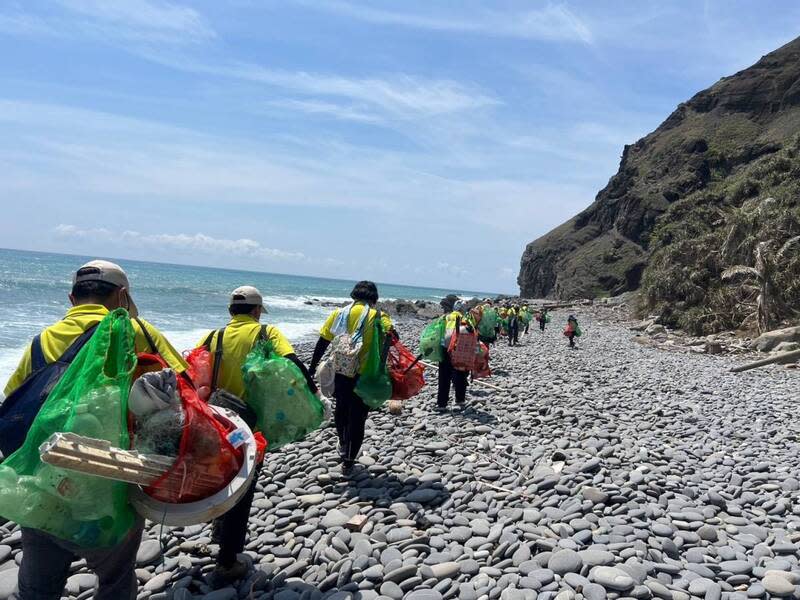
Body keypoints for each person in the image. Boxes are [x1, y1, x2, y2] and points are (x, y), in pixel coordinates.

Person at [3, 259, 187, 600]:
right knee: (116, 578)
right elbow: (187, 391)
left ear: (72, 299)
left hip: (45, 481)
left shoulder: (40, 342)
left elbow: (12, 400)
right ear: (122, 296)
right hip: (114, 481)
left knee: (37, 584)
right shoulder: (138, 332)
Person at [197, 285, 317, 587]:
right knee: (244, 484)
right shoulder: (267, 333)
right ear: (256, 311)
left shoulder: (213, 336)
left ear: (230, 312)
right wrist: (313, 393)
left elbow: (192, 369)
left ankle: (217, 526)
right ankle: (227, 559)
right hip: (250, 426)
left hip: (217, 420)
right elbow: (292, 362)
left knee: (221, 473)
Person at [309, 281, 394, 474]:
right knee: (358, 416)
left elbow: (323, 341)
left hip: (341, 372)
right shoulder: (379, 316)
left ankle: (342, 441)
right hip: (365, 375)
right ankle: (348, 460)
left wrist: (312, 367)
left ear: (354, 295)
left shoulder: (339, 314)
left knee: (341, 409)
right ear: (374, 298)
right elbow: (391, 337)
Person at [436, 294, 470, 412]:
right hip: (459, 349)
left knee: (444, 376)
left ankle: (442, 403)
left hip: (445, 348)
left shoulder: (445, 317)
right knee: (460, 374)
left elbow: (437, 331)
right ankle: (459, 400)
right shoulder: (465, 318)